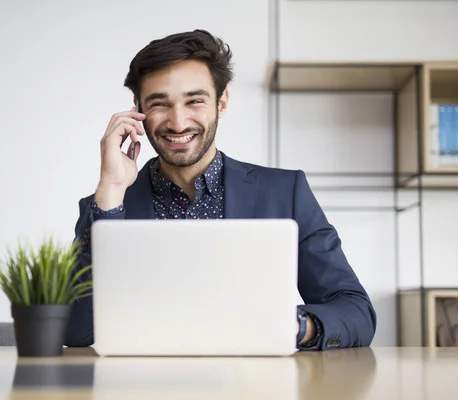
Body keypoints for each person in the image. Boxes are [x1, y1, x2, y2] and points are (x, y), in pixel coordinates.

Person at [65, 29, 376, 351]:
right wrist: (111, 191)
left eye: (194, 101)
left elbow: (356, 313)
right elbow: (75, 331)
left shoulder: (284, 191)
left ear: (221, 101)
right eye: (159, 104)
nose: (178, 122)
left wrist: (295, 325)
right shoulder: (111, 204)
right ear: (137, 109)